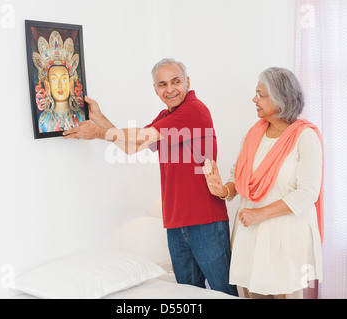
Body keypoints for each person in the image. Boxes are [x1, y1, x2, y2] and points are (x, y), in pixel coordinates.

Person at [63, 58, 237, 296]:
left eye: (176, 81)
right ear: (155, 89)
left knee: (223, 293)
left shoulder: (194, 110)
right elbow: (132, 146)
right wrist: (99, 119)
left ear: (188, 82)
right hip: (175, 223)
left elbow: (141, 136)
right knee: (187, 295)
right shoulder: (166, 115)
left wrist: (98, 133)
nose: (170, 89)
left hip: (205, 221)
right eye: (162, 84)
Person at [203, 67, 323, 299]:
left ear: (280, 99)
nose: (253, 99)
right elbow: (237, 179)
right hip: (251, 234)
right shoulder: (252, 134)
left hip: (284, 236)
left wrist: (260, 214)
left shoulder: (305, 137)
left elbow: (308, 192)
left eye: (260, 94)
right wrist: (223, 190)